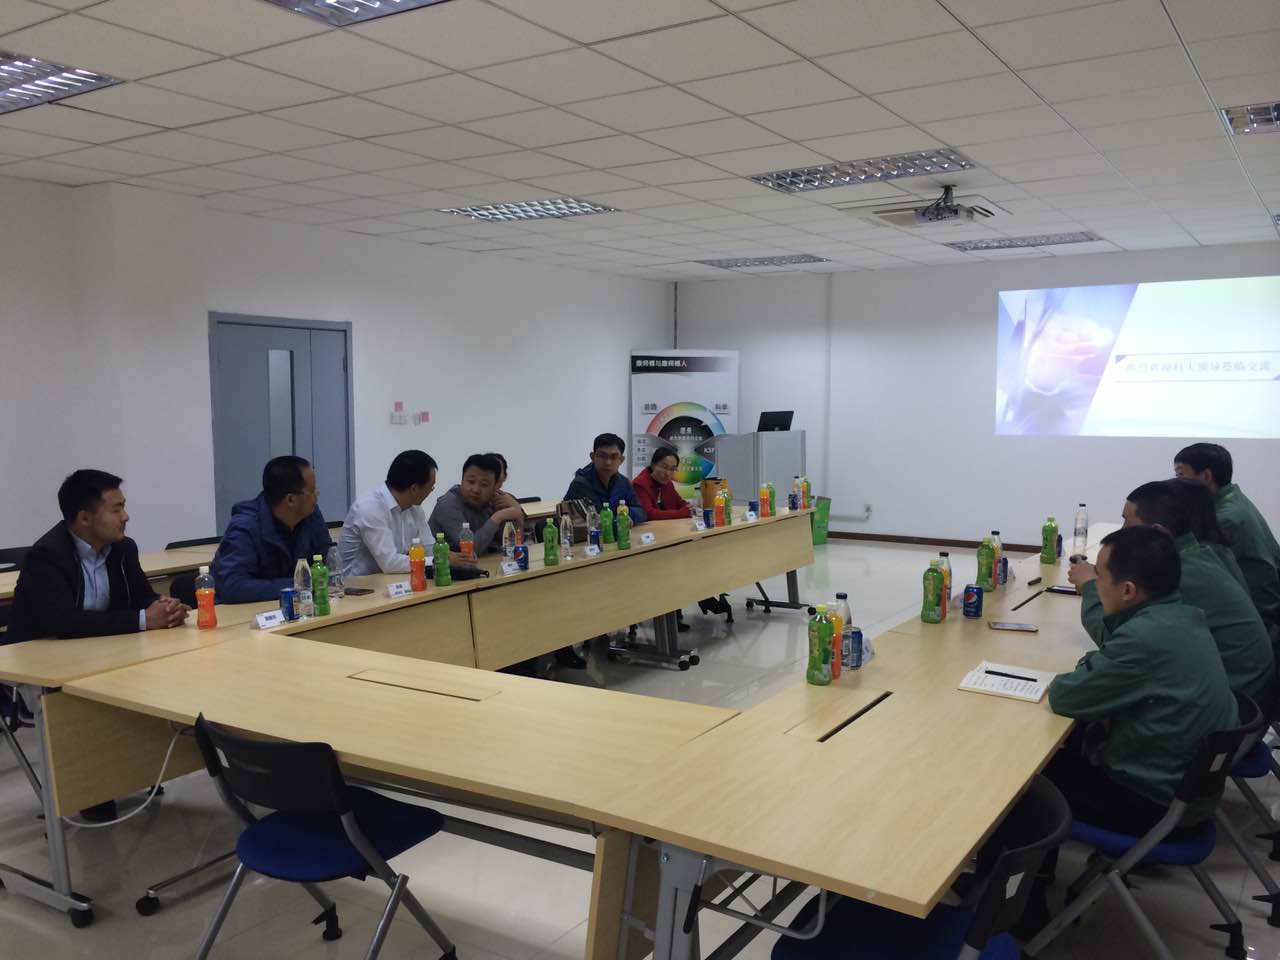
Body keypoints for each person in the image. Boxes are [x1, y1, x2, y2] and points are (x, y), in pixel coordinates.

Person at [1030, 526, 1238, 933]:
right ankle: (1034, 881)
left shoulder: (1145, 637)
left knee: (1022, 779)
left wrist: (1090, 669)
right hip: (1186, 795)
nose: (1094, 582)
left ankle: (1023, 905)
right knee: (1065, 749)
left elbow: (1067, 695)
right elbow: (1101, 670)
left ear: (1127, 590)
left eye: (1099, 576)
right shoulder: (1181, 616)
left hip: (1154, 805)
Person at [1068, 481, 1273, 706]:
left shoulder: (1178, 573)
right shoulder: (1197, 553)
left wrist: (1090, 586)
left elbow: (1118, 640)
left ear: (1158, 532)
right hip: (1237, 686)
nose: (1121, 531)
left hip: (1233, 694)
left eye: (1128, 523)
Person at [8, 469, 188, 643]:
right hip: (39, 654)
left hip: (101, 649)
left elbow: (142, 596)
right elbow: (64, 623)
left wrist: (166, 607)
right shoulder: (46, 556)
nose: (125, 517)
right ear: (84, 519)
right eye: (116, 510)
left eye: (123, 507)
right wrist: (143, 619)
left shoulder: (123, 548)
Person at [1175, 442, 1280, 629]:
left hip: (1259, 614)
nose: (1176, 483)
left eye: (1180, 475)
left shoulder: (1224, 519)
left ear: (1206, 476)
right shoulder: (1232, 499)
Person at [211, 456, 332, 603]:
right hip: (248, 612)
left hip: (296, 605)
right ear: (291, 500)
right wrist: (300, 584)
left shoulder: (310, 515)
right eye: (312, 491)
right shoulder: (246, 526)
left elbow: (327, 563)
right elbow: (232, 587)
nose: (317, 495)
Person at [339, 450, 439, 577]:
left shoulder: (415, 509)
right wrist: (436, 560)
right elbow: (389, 563)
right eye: (430, 488)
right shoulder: (370, 507)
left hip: (387, 581)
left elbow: (428, 549)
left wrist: (445, 556)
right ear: (414, 488)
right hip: (353, 584)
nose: (430, 492)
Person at [430, 454, 526, 555]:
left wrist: (516, 512)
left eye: (484, 485)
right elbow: (471, 549)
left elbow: (512, 546)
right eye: (471, 482)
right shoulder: (448, 504)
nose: (476, 490)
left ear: (495, 487)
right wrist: (498, 517)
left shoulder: (496, 500)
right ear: (462, 480)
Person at [565, 433, 647, 523]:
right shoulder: (580, 484)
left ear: (621, 460)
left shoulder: (624, 483)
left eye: (614, 457)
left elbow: (641, 512)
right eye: (602, 456)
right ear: (592, 457)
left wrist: (626, 514)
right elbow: (568, 517)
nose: (608, 462)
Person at [632, 446, 693, 521]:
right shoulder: (639, 484)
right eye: (664, 467)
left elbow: (679, 502)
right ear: (653, 465)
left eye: (672, 469)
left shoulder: (668, 483)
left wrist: (689, 507)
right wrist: (680, 513)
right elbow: (648, 513)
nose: (668, 473)